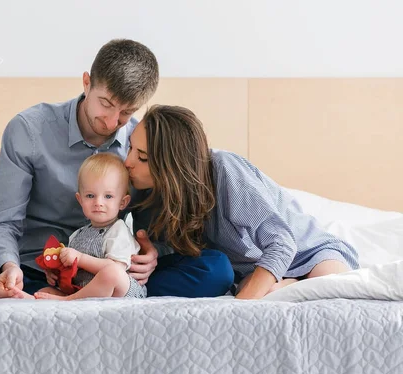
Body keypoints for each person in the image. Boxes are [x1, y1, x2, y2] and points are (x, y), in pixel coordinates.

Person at [0, 39, 160, 308]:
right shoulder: (29, 130)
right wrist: (8, 268)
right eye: (105, 103)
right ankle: (34, 294)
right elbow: (2, 222)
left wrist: (153, 253)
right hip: (31, 269)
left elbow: (152, 223)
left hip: (108, 278)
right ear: (86, 82)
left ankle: (35, 304)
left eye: (126, 112)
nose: (112, 121)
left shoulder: (141, 146)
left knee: (211, 270)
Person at [125, 105, 359, 300]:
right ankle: (287, 285)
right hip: (253, 268)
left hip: (308, 252)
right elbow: (176, 255)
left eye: (142, 157)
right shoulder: (146, 194)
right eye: (130, 149)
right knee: (267, 293)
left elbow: (282, 242)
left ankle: (290, 285)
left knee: (331, 289)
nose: (128, 162)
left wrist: (240, 308)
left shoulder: (225, 170)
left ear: (173, 164)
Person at [12, 153, 146, 300]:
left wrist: (80, 258)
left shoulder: (118, 230)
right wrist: (56, 272)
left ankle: (66, 301)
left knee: (112, 272)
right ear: (80, 199)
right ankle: (32, 298)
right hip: (83, 291)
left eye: (108, 196)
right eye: (90, 196)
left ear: (123, 202)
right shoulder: (78, 235)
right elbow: (72, 270)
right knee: (46, 289)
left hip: (123, 291)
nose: (98, 202)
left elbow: (117, 268)